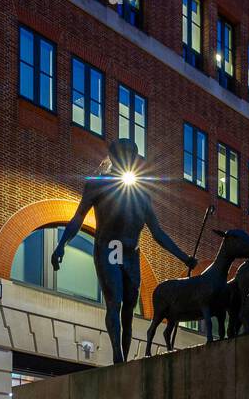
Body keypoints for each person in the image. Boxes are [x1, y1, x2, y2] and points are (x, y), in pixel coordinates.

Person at [52, 137, 196, 362]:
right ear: (115, 157)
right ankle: (118, 358)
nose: (128, 157)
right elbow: (78, 218)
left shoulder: (140, 193)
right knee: (115, 301)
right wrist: (62, 244)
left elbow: (157, 232)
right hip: (108, 249)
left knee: (129, 310)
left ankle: (125, 362)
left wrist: (184, 258)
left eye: (132, 154)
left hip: (131, 254)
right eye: (124, 153)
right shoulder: (97, 184)